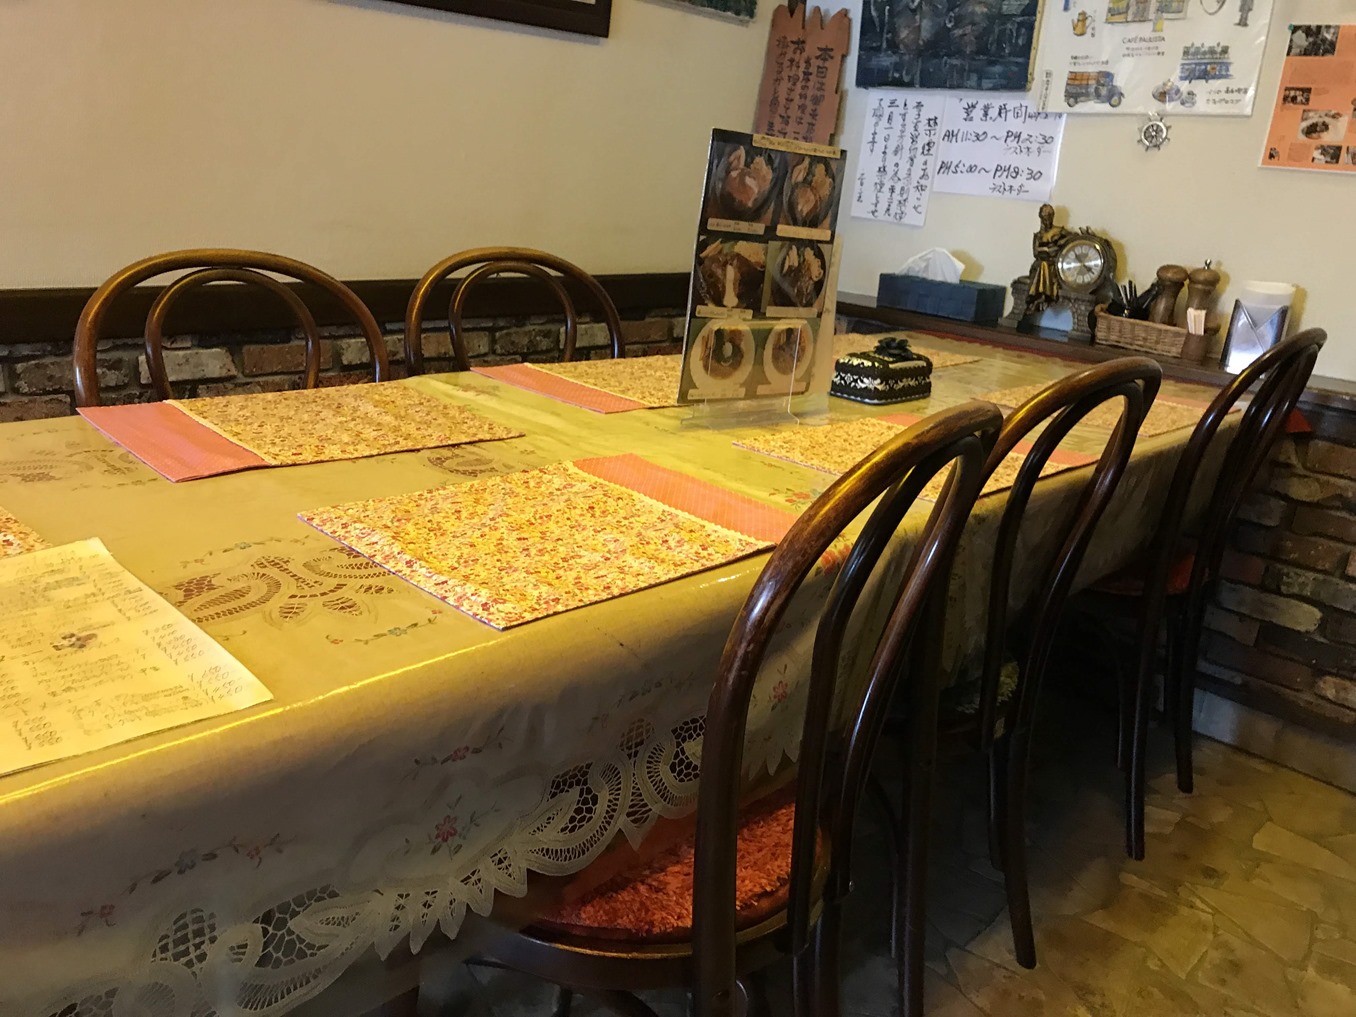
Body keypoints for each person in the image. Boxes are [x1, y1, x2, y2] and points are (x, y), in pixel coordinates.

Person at [1025, 203, 1073, 314]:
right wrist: (1046, 250)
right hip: (1041, 264)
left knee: (1045, 265)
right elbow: (1035, 253)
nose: (1047, 220)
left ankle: (1039, 297)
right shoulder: (1038, 235)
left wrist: (1058, 245)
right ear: (1041, 217)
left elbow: (1072, 238)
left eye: (1050, 217)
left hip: (1055, 264)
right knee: (1043, 264)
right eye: (1045, 217)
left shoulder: (1059, 231)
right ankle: (1042, 296)